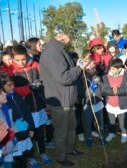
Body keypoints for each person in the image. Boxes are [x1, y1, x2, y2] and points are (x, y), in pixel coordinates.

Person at [39, 25, 85, 167]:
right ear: (61, 35)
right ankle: (61, 156)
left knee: (71, 127)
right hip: (59, 100)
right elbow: (64, 77)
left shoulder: (58, 49)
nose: (71, 39)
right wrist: (79, 68)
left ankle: (70, 149)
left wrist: (78, 66)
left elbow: (65, 71)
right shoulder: (53, 52)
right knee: (61, 131)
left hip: (67, 98)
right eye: (70, 36)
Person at [10, 45, 51, 167]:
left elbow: (44, 77)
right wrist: (29, 88)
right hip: (25, 110)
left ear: (27, 56)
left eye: (23, 59)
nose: (21, 62)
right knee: (29, 134)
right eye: (18, 60)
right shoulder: (11, 71)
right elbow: (12, 90)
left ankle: (42, 152)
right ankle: (31, 157)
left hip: (38, 106)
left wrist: (40, 83)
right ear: (13, 58)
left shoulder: (34, 65)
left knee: (39, 132)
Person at [0, 72, 36, 168]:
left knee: (25, 153)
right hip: (15, 136)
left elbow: (26, 111)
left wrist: (31, 127)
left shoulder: (16, 95)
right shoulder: (3, 101)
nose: (12, 87)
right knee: (17, 159)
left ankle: (27, 163)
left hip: (25, 131)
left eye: (13, 84)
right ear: (1, 87)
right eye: (9, 85)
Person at [103, 58, 127, 143]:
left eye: (113, 69)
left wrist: (117, 91)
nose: (111, 70)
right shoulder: (105, 77)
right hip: (110, 103)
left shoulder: (125, 77)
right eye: (111, 68)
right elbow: (105, 89)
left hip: (121, 104)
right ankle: (112, 133)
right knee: (111, 122)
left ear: (119, 69)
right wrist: (112, 91)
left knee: (122, 123)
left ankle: (124, 133)